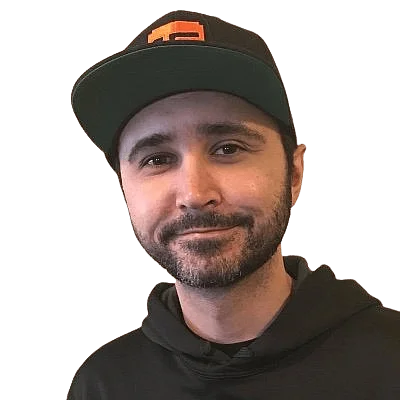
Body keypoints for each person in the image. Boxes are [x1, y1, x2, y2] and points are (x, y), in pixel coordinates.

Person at [68, 9, 400, 400]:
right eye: (157, 159)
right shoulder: (103, 386)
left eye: (228, 148)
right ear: (125, 193)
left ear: (294, 174)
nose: (194, 194)